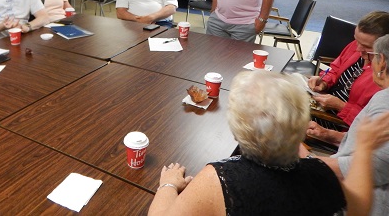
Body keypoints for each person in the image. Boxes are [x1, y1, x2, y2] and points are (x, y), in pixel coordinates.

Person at [148, 70, 389, 216]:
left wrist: (168, 185)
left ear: (236, 132)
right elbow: (359, 206)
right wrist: (365, 149)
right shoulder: (322, 173)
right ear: (302, 130)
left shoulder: (220, 178)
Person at [305, 34, 389, 216]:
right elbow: (371, 141)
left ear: (381, 61)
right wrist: (328, 135)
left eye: (370, 54)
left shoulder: (385, 102)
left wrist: (305, 163)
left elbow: (375, 165)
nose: (364, 57)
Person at [307, 11, 389, 126]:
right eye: (356, 40)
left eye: (367, 47)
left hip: (341, 123)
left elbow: (375, 124)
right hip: (325, 104)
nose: (358, 48)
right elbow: (335, 69)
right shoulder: (357, 45)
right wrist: (324, 81)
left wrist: (341, 106)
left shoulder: (384, 76)